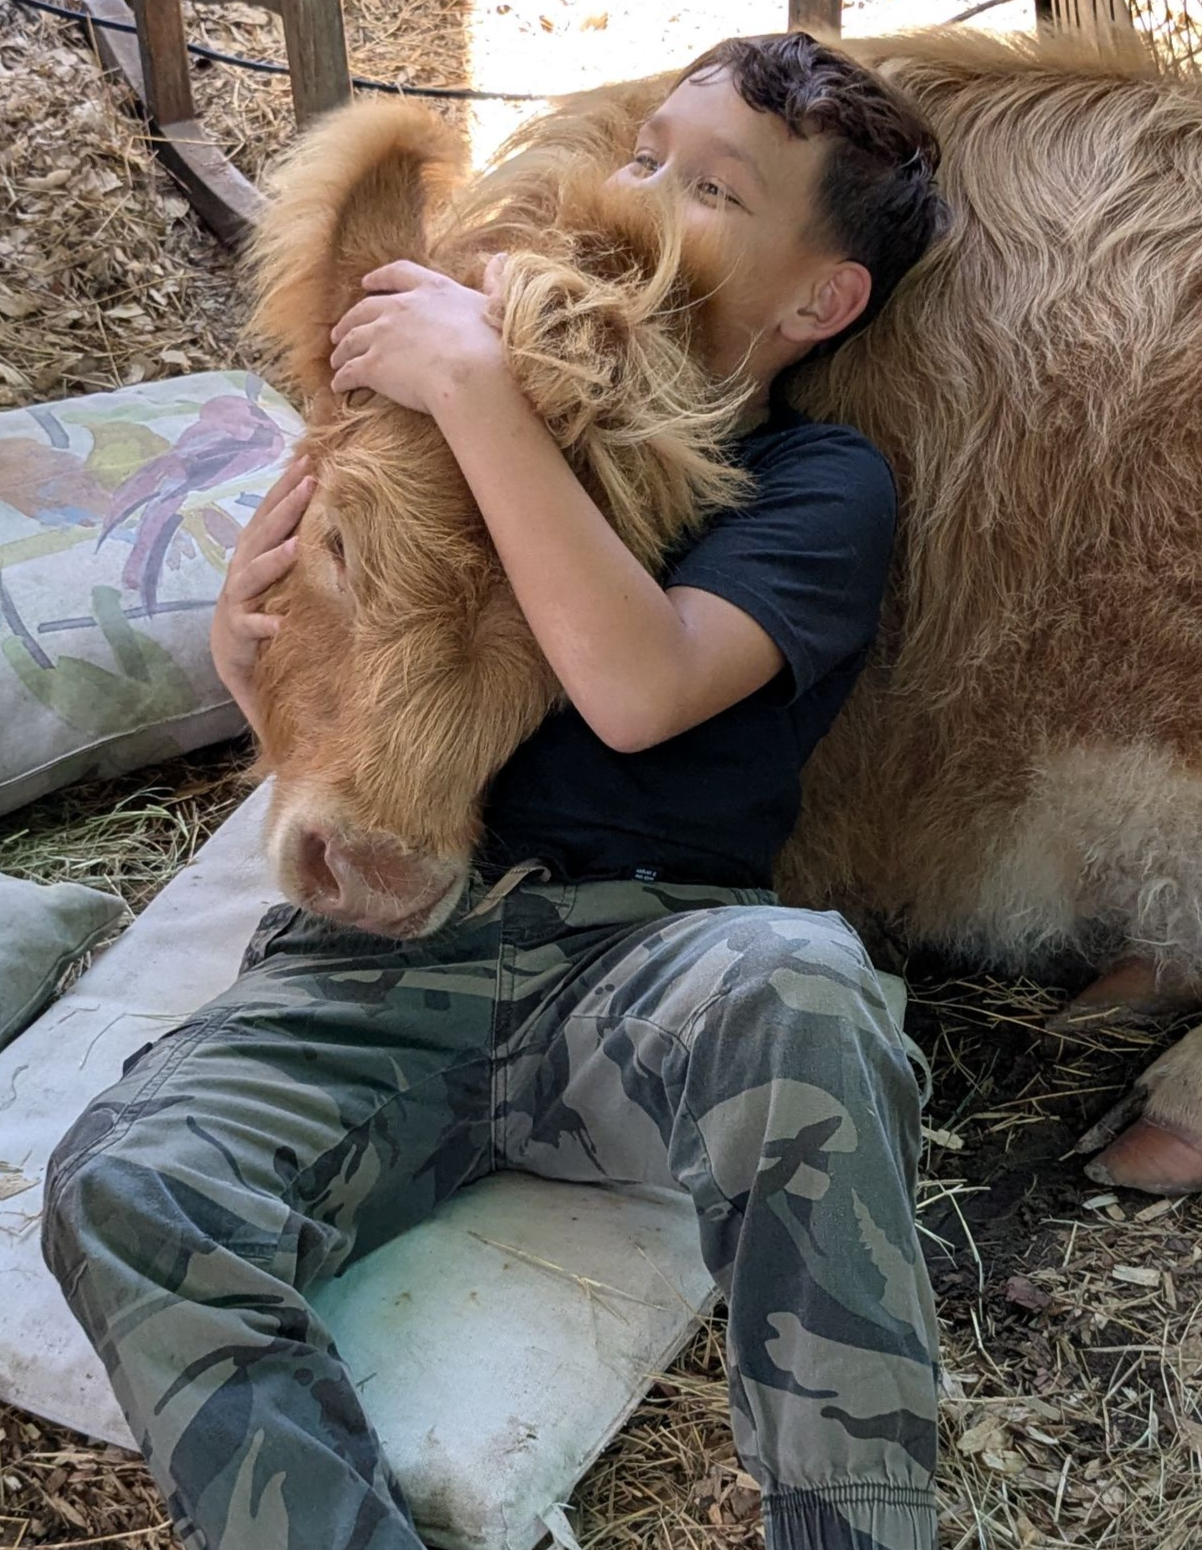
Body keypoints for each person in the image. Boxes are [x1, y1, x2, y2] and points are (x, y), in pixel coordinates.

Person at [41, 31, 948, 1550]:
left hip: (636, 971)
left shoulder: (814, 484)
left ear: (818, 298)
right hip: (375, 980)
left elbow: (638, 682)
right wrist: (245, 642)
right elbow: (327, 645)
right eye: (645, 153)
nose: (644, 195)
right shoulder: (462, 405)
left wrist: (477, 395)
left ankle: (857, 1530)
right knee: (128, 1179)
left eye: (713, 187)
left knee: (802, 983)